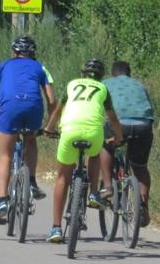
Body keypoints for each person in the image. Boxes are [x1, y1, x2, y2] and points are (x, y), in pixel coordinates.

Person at [43, 59, 123, 243]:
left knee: (62, 178)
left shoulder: (72, 85)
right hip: (93, 132)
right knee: (94, 153)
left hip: (69, 130)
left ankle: (56, 228)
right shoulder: (103, 89)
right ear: (101, 77)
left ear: (83, 74)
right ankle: (94, 192)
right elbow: (113, 119)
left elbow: (58, 110)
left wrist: (49, 127)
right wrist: (118, 137)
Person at [0, 36, 56, 226]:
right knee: (31, 140)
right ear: (33, 53)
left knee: (6, 155)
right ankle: (31, 182)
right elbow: (52, 100)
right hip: (33, 108)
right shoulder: (40, 67)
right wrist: (49, 126)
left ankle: (2, 201)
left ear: (14, 53)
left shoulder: (4, 65)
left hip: (10, 108)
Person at [99, 61, 155, 227]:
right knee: (140, 166)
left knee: (106, 148)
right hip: (143, 126)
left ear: (113, 73)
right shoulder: (139, 85)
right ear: (129, 73)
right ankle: (143, 206)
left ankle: (108, 186)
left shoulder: (105, 83)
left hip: (119, 124)